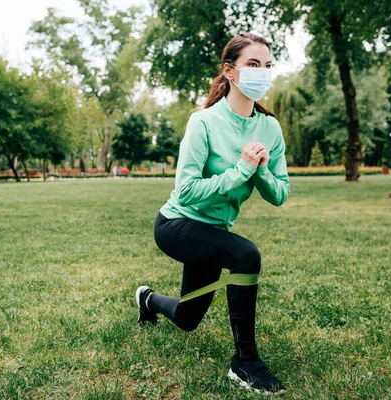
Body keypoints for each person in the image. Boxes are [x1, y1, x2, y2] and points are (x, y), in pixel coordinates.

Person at [134, 32, 290, 394]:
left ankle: (148, 299)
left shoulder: (270, 127)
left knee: (188, 318)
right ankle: (245, 362)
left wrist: (260, 168)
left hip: (213, 232)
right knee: (245, 254)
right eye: (253, 64)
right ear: (230, 71)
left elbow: (280, 194)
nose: (261, 73)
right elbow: (186, 190)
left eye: (267, 66)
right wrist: (239, 171)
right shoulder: (203, 122)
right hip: (176, 225)